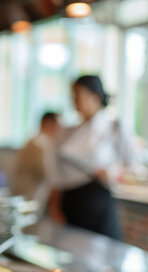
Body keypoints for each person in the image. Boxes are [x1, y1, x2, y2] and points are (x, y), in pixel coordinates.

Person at [47, 75, 134, 240]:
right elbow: (55, 175)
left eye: (78, 94)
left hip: (97, 200)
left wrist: (112, 173)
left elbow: (130, 166)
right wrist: (54, 206)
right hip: (70, 200)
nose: (74, 100)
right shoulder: (66, 131)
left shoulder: (113, 127)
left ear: (94, 96)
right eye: (72, 95)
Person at [11, 112, 61, 217]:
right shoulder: (39, 143)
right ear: (48, 123)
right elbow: (48, 174)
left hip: (29, 195)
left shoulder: (37, 141)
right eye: (58, 125)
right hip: (29, 196)